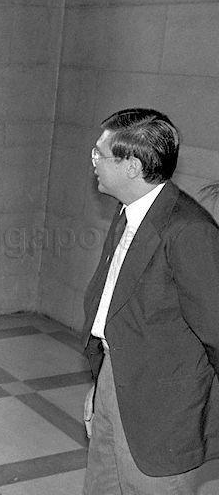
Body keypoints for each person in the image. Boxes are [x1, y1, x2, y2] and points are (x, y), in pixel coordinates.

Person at [82, 108, 219, 494]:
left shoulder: (189, 231)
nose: (93, 162)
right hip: (115, 378)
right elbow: (114, 304)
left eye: (100, 154)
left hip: (164, 412)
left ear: (132, 166)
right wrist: (100, 381)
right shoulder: (129, 212)